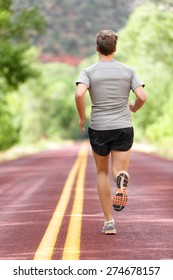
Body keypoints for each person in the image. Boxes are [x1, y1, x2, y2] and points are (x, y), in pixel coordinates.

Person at [75, 30, 146, 235]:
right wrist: (133, 108)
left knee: (102, 172)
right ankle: (121, 180)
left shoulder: (88, 71)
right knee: (118, 171)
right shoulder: (128, 70)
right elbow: (142, 96)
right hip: (123, 126)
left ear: (97, 48)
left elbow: (80, 93)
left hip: (99, 128)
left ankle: (108, 222)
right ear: (115, 48)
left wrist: (81, 117)